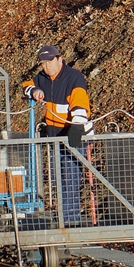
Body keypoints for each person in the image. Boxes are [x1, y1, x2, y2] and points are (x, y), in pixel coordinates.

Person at [21, 45, 92, 226]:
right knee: (59, 177)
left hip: (73, 134)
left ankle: (70, 220)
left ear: (60, 59)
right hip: (55, 137)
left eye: (50, 62)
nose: (47, 66)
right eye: (43, 63)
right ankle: (65, 217)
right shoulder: (42, 78)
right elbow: (26, 85)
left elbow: (80, 105)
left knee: (70, 175)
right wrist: (34, 91)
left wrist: (76, 129)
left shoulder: (73, 77)